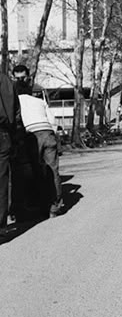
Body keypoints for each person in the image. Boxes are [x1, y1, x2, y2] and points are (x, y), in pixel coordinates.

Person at [14, 71, 62, 219]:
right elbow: (53, 120)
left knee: (35, 171)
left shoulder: (15, 102)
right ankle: (55, 206)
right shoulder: (40, 101)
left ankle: (36, 205)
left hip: (30, 134)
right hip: (47, 131)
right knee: (52, 169)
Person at [0, 72, 22, 233]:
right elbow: (14, 110)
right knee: (1, 180)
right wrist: (14, 136)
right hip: (3, 132)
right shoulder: (4, 79)